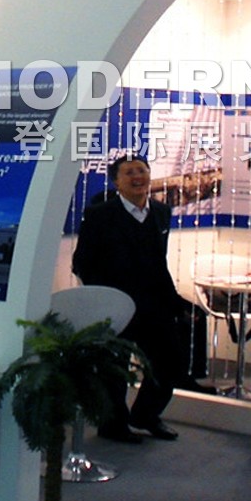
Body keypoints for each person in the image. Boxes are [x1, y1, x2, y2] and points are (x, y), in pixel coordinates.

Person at [72, 153, 190, 442]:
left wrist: (175, 302)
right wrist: (104, 298)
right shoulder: (100, 215)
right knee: (114, 369)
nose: (137, 177)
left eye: (141, 170)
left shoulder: (161, 212)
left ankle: (146, 415)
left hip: (154, 303)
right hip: (116, 305)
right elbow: (81, 262)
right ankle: (113, 425)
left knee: (170, 362)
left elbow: (158, 261)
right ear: (116, 181)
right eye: (129, 173)